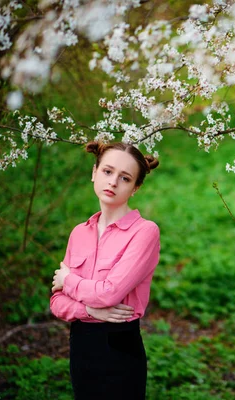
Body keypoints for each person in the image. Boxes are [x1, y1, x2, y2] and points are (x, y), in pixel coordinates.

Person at [50, 141, 161, 400]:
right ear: (94, 172)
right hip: (80, 345)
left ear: (135, 188)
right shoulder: (79, 232)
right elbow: (56, 302)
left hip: (120, 346)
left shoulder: (145, 232)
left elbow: (110, 293)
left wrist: (68, 280)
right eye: (107, 172)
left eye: (125, 178)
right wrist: (88, 309)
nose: (113, 182)